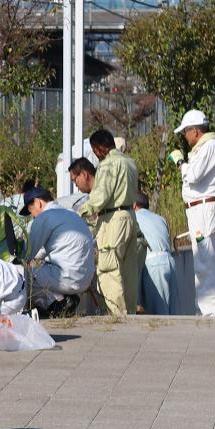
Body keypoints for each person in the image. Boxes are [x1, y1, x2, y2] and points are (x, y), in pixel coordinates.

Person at [85, 128, 145, 315]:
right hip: (130, 217)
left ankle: (118, 315)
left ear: (100, 146)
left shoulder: (108, 164)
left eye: (95, 149)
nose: (95, 154)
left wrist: (83, 211)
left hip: (113, 220)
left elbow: (101, 195)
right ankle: (130, 313)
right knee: (129, 271)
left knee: (109, 268)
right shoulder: (130, 162)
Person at [174, 109, 215, 315]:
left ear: (194, 131)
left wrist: (181, 163)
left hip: (205, 209)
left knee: (207, 260)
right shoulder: (204, 147)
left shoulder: (210, 147)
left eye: (186, 132)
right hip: (201, 209)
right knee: (203, 260)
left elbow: (194, 175)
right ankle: (205, 309)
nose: (185, 137)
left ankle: (211, 312)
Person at [23, 186, 97, 309]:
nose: (32, 216)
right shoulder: (71, 214)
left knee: (25, 277)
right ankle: (65, 299)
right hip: (86, 278)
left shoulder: (44, 217)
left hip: (67, 277)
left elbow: (27, 254)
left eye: (31, 211)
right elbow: (53, 248)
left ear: (38, 203)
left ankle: (57, 305)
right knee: (44, 269)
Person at [133, 194, 177, 317]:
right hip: (170, 261)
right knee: (173, 314)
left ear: (134, 205)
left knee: (158, 316)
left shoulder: (134, 217)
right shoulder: (160, 218)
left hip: (154, 264)